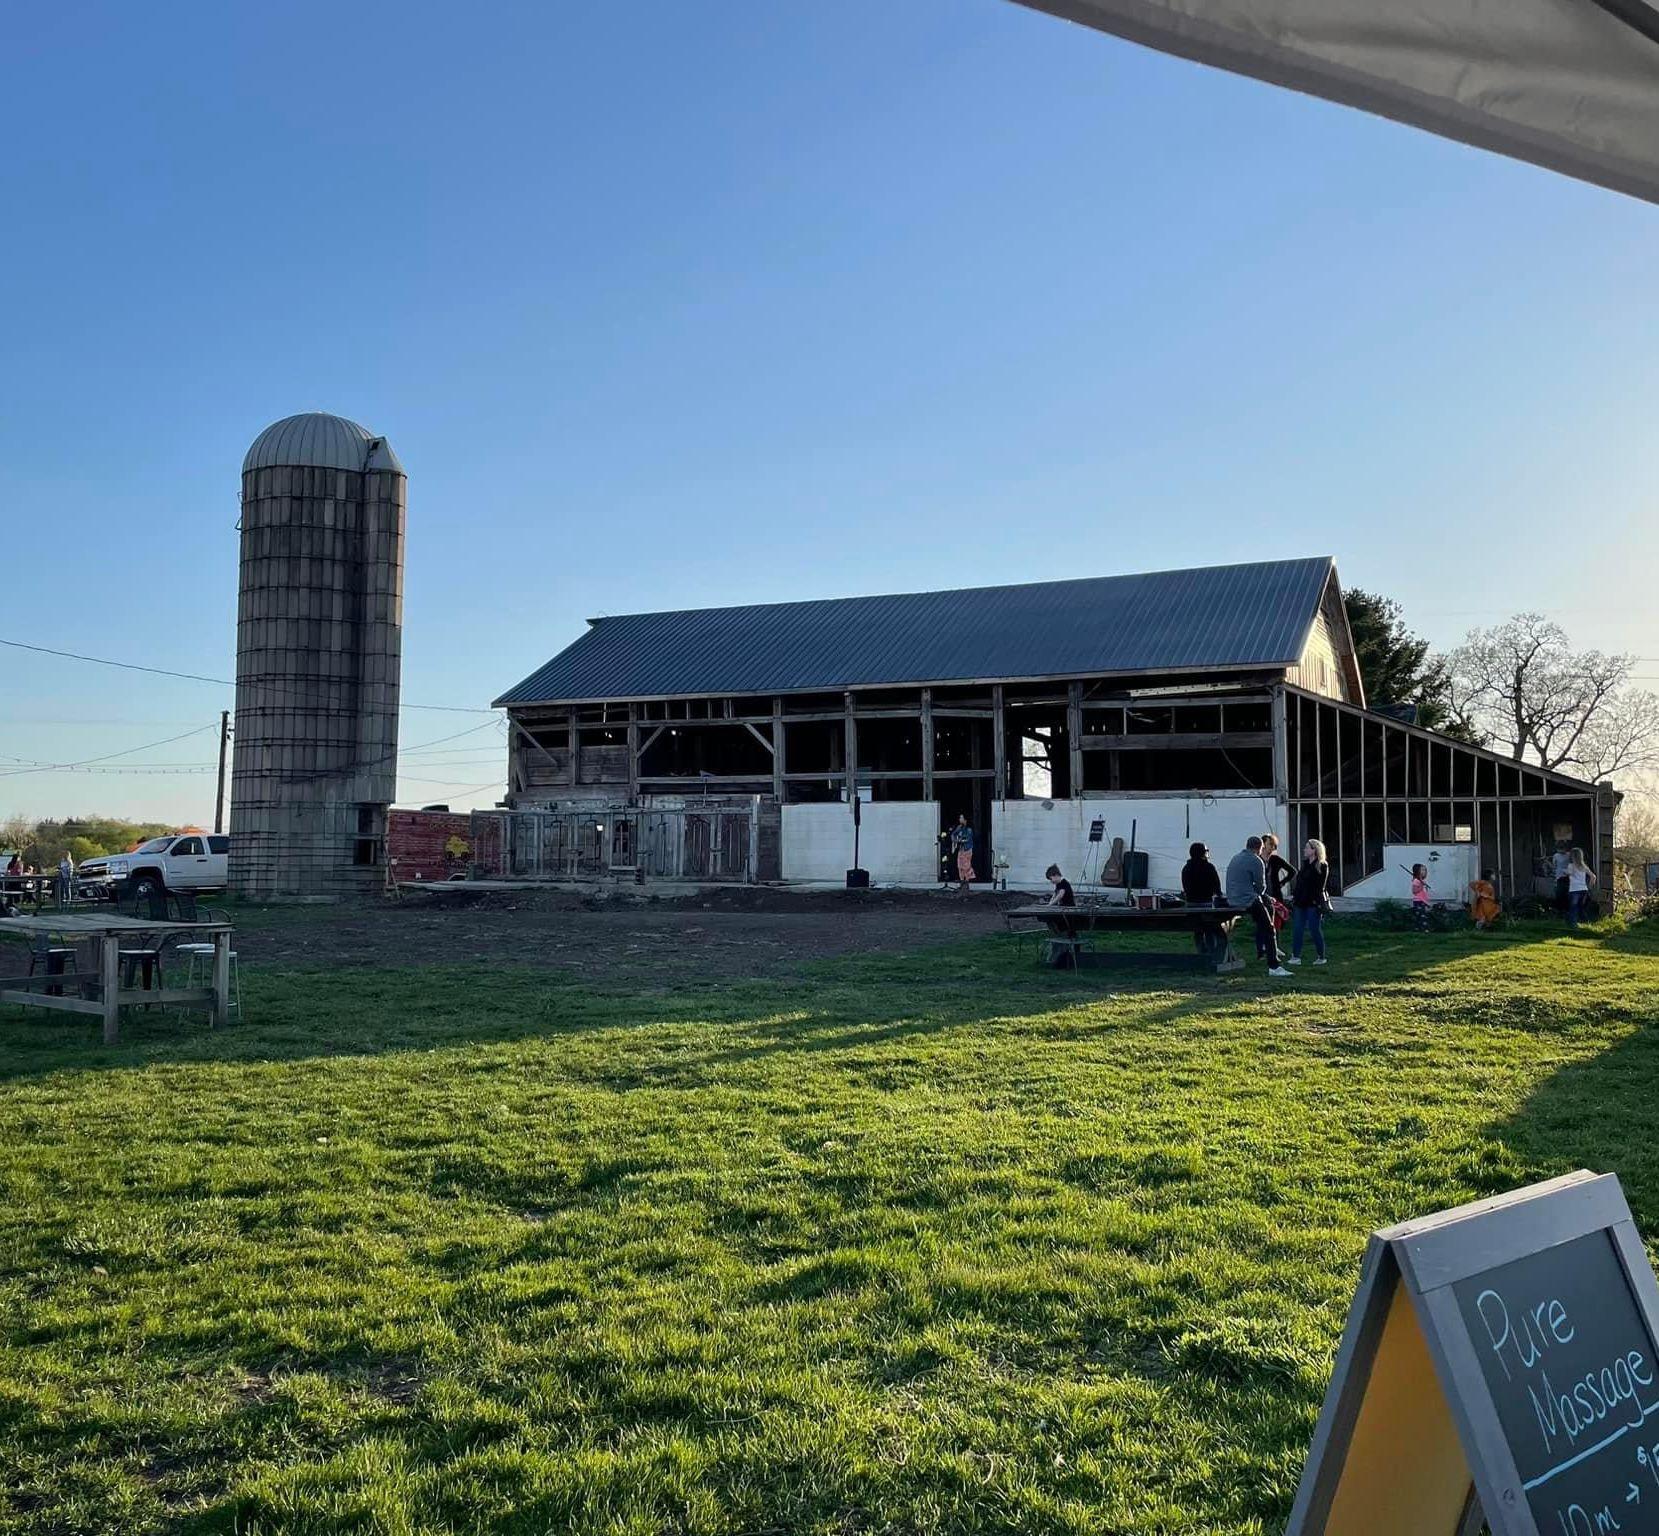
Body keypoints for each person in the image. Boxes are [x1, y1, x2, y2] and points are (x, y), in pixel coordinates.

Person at [1225, 836, 1291, 977]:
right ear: (1259, 848)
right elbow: (1261, 888)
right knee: (1270, 928)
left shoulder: (1235, 858)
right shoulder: (1256, 860)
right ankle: (1274, 966)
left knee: (1267, 902)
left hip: (1232, 899)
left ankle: (1262, 947)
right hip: (1247, 900)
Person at [1284, 838, 1329, 966]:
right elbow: (1300, 883)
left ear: (1314, 850)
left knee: (1314, 929)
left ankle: (1321, 956)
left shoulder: (1322, 866)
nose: (1304, 850)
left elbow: (1319, 886)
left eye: (1307, 848)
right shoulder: (1305, 865)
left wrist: (1315, 900)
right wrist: (1295, 897)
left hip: (1313, 902)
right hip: (1300, 902)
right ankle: (1295, 956)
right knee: (1298, 929)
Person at [1261, 833, 1295, 933]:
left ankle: (1275, 938)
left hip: (1275, 893)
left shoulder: (1275, 859)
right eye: (1270, 844)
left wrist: (1282, 883)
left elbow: (1292, 871)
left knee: (1276, 921)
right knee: (1263, 920)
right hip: (1263, 893)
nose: (1272, 847)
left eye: (1274, 845)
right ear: (1263, 845)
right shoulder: (1258, 859)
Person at [1565, 847, 1596, 929]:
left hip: (1574, 889)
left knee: (1573, 907)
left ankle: (1573, 924)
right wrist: (1589, 886)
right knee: (1581, 907)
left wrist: (1564, 871)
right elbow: (1593, 877)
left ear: (1573, 856)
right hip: (1584, 889)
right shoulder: (1584, 866)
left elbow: (1569, 873)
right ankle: (1585, 922)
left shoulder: (1571, 866)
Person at [950, 814, 974, 893]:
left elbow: (967, 839)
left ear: (965, 820)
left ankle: (966, 883)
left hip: (967, 849)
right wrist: (954, 840)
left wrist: (958, 840)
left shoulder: (969, 829)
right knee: (960, 866)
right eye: (960, 818)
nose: (960, 819)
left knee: (966, 866)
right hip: (961, 850)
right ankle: (962, 882)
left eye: (961, 818)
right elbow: (953, 834)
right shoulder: (959, 828)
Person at [1411, 863, 1432, 931]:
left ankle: (1419, 928)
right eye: (1422, 870)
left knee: (1423, 915)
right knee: (1421, 915)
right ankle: (1423, 929)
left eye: (1425, 870)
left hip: (1423, 900)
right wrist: (1421, 886)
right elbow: (1414, 891)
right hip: (1418, 901)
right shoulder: (1416, 881)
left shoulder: (1422, 881)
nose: (1424, 872)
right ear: (1417, 871)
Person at [1552, 842, 1572, 917]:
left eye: (1563, 848)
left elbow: (1571, 863)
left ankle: (1567, 910)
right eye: (1560, 848)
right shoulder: (1556, 856)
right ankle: (1559, 910)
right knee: (1559, 893)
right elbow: (1554, 866)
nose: (1562, 850)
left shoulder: (1569, 855)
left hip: (1567, 876)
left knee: (1567, 893)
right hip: (1559, 877)